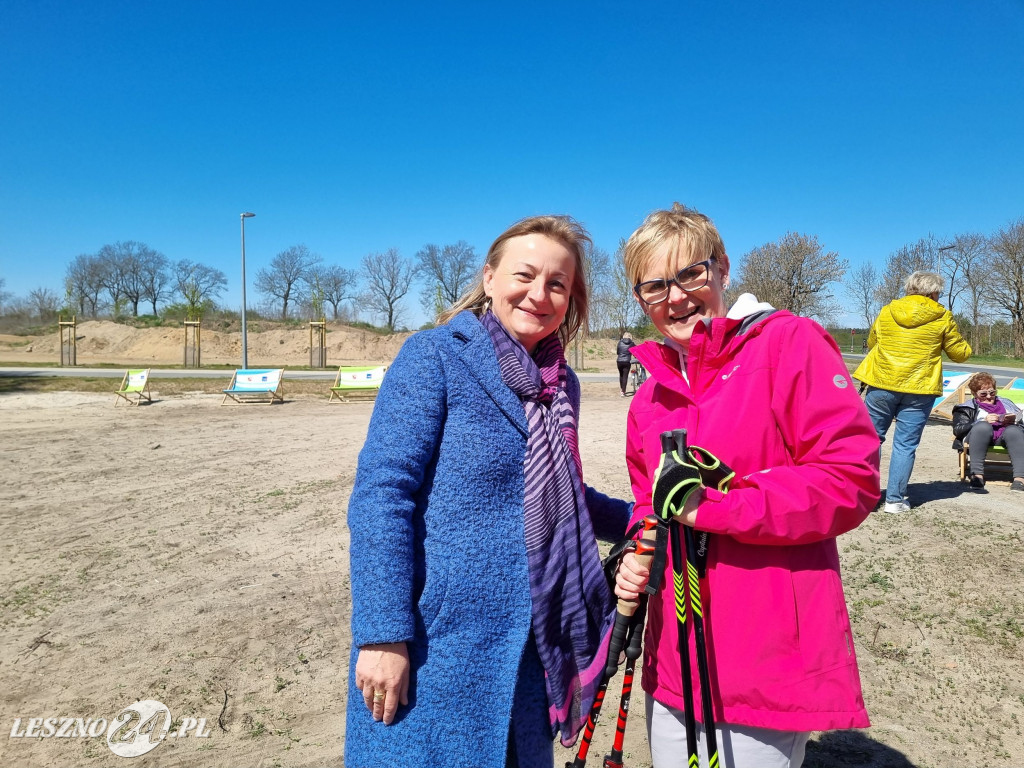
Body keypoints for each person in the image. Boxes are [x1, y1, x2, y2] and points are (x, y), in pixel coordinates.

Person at [345, 215, 632, 768]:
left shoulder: (559, 383)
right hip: (436, 644)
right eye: (525, 275)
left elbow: (560, 489)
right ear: (490, 276)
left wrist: (640, 517)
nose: (539, 294)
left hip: (530, 648)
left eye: (558, 284)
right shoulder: (436, 356)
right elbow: (383, 494)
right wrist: (383, 634)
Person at [613, 203, 880, 768]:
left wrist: (713, 505)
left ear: (722, 268)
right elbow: (648, 504)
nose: (677, 297)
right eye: (655, 286)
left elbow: (850, 478)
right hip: (675, 649)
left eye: (691, 274)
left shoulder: (788, 343)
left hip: (765, 654)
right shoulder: (650, 394)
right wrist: (638, 552)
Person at [853, 271, 972, 513]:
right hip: (919, 388)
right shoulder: (943, 316)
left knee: (871, 440)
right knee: (905, 445)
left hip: (882, 383)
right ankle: (895, 500)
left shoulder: (887, 311)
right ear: (933, 292)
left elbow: (874, 342)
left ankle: (864, 496)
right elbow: (960, 354)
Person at [952, 372, 1024, 490]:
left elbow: (1021, 419)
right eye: (983, 394)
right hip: (978, 437)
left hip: (1004, 437)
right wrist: (981, 421)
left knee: (1013, 431)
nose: (989, 396)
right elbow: (958, 430)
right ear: (975, 394)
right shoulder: (966, 407)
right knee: (982, 427)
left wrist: (1014, 421)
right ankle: (977, 475)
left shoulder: (1007, 403)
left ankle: (1020, 478)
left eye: (992, 392)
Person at [616, 331, 637, 396]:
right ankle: (623, 391)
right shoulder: (632, 343)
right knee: (625, 376)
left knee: (621, 375)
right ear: (630, 337)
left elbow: (618, 352)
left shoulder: (619, 342)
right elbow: (635, 351)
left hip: (619, 361)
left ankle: (621, 389)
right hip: (627, 361)